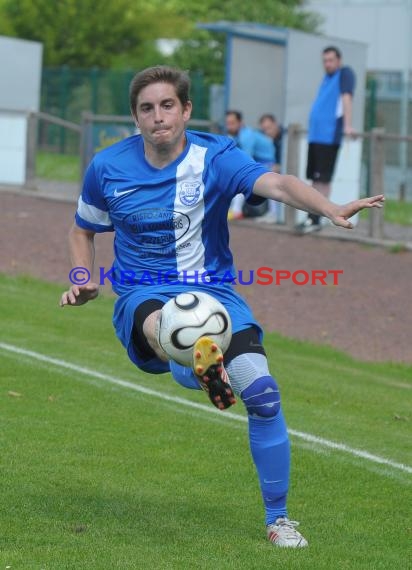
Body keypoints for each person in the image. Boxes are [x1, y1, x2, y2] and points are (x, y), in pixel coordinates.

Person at [59, 66, 383, 548]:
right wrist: (83, 279)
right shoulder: (108, 167)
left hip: (216, 294)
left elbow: (276, 183)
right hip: (141, 295)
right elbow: (83, 228)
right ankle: (196, 366)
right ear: (135, 117)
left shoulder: (215, 157)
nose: (158, 117)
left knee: (265, 395)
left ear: (186, 109)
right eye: (146, 108)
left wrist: (328, 208)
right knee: (167, 324)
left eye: (167, 105)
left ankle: (279, 520)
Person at [296, 46, 356, 234]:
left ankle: (318, 219)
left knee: (323, 180)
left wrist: (347, 125)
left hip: (329, 137)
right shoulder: (326, 78)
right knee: (315, 179)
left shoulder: (345, 74)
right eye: (325, 60)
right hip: (315, 135)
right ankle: (310, 218)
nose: (327, 64)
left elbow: (346, 98)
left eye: (331, 60)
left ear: (339, 60)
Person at [225, 110, 274, 220]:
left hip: (267, 163)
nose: (229, 126)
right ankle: (234, 210)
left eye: (232, 123)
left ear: (240, 123)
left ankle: (236, 211)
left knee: (240, 179)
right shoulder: (235, 135)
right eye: (227, 123)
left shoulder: (246, 136)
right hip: (258, 162)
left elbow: (246, 159)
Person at [257, 113, 285, 223]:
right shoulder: (265, 140)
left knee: (271, 175)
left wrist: (279, 166)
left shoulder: (284, 137)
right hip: (274, 169)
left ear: (275, 124)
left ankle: (275, 213)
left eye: (269, 128)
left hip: (288, 170)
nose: (267, 132)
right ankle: (271, 212)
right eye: (264, 130)